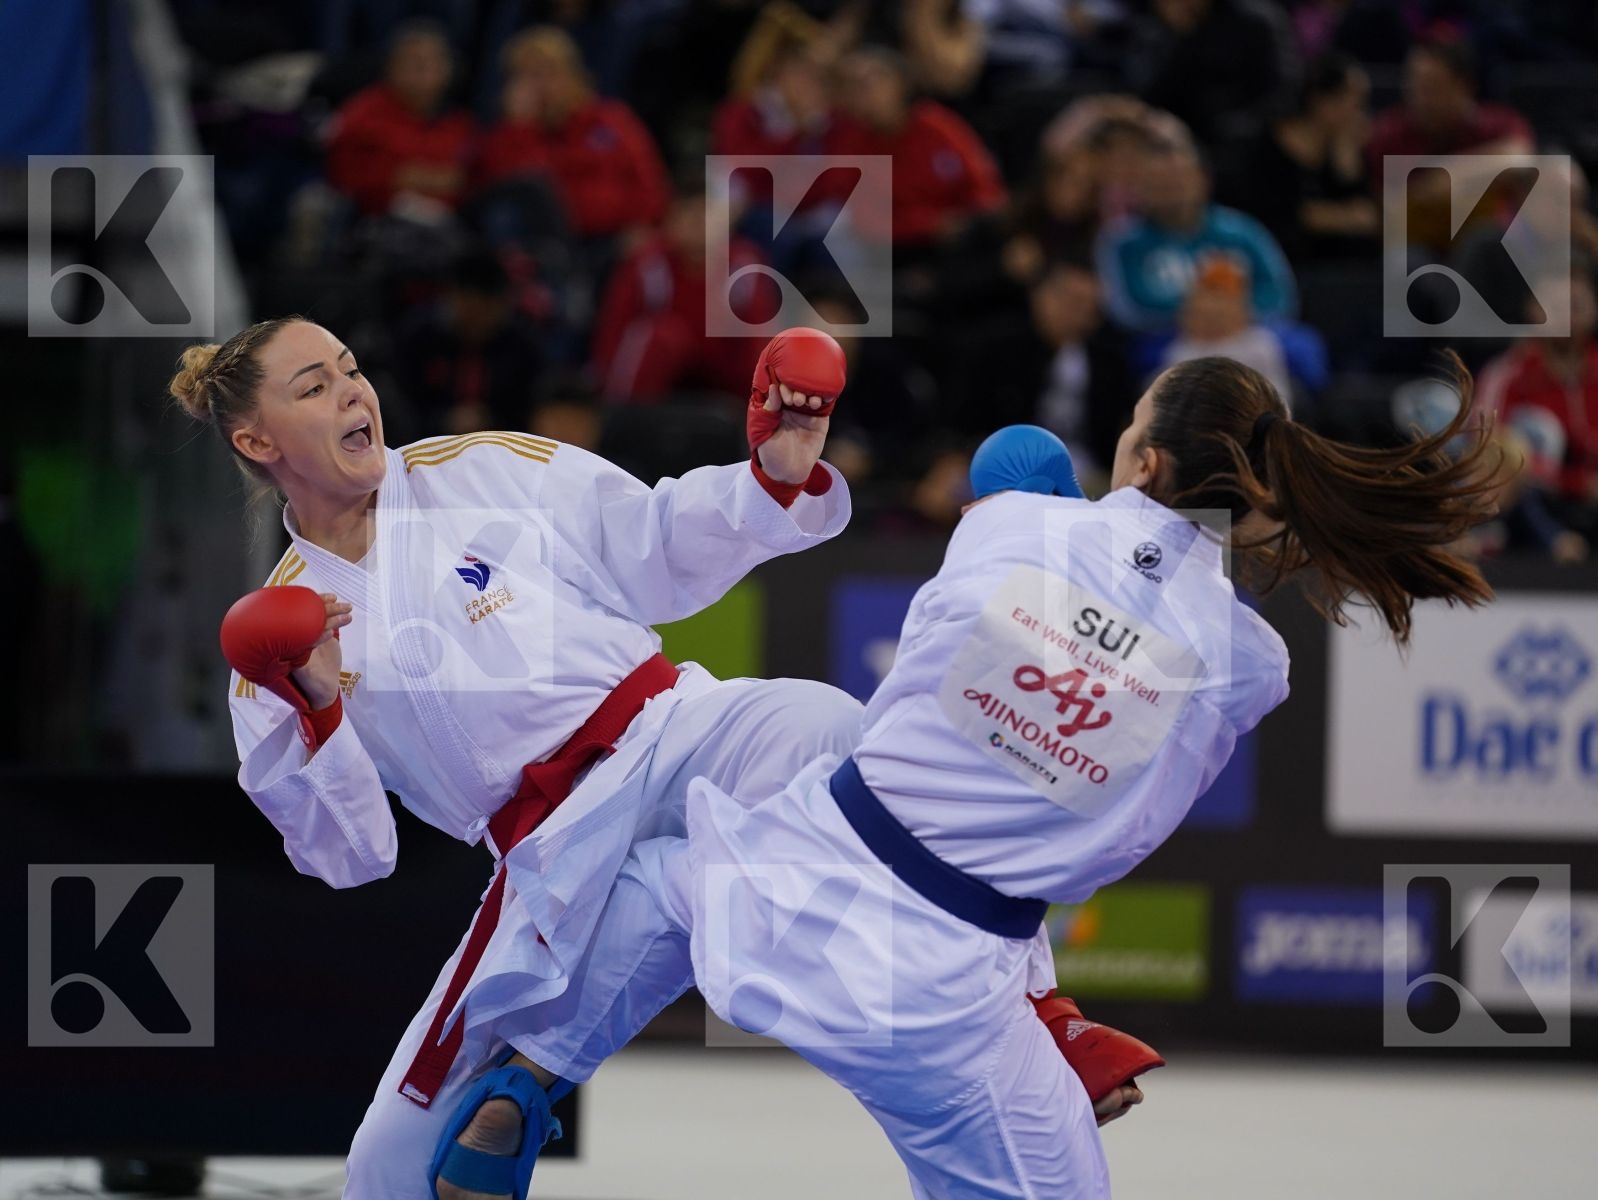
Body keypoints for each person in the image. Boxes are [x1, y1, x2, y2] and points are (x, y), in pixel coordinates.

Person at [616, 356, 1501, 1198]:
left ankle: (538, 1079)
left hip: (791, 872)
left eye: (1130, 425)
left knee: (626, 886)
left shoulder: (1011, 521)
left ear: (1145, 463)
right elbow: (1081, 794)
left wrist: (1059, 543)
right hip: (944, 995)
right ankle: (1043, 1009)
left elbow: (996, 663)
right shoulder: (1250, 664)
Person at [174, 317, 858, 1200]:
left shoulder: (478, 469)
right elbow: (351, 855)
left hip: (675, 736)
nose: (352, 392)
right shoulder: (272, 646)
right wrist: (317, 704)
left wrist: (772, 478)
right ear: (257, 441)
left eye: (350, 369)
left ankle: (536, 1071)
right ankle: (626, 948)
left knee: (829, 730)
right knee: (390, 1164)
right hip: (547, 856)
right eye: (313, 387)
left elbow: (652, 540)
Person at [1095, 132, 1298, 334]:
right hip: (1167, 339)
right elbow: (1127, 309)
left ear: (1204, 179)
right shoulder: (1123, 241)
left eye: (1178, 179)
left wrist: (1230, 316)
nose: (1170, 189)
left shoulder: (1241, 232)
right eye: (1158, 182)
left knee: (1297, 344)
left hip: (1247, 331)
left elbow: (1279, 296)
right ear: (1139, 188)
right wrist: (1200, 317)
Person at [325, 20, 475, 218]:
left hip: (447, 226)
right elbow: (341, 174)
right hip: (374, 221)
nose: (426, 74)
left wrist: (429, 179)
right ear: (392, 67)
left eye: (435, 63)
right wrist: (393, 177)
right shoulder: (362, 114)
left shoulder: (460, 124)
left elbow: (470, 179)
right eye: (416, 64)